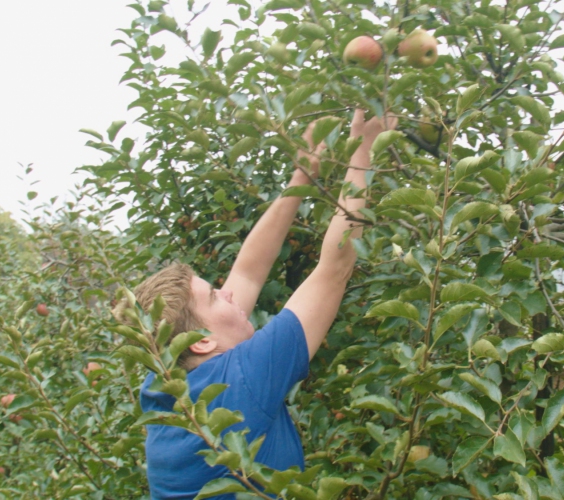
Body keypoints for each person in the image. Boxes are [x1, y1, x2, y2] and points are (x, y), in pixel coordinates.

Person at [134, 109, 396, 499]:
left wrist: (302, 175)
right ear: (201, 341)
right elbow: (335, 267)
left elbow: (250, 271)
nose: (228, 292)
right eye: (214, 296)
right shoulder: (242, 383)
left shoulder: (167, 391)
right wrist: (363, 147)